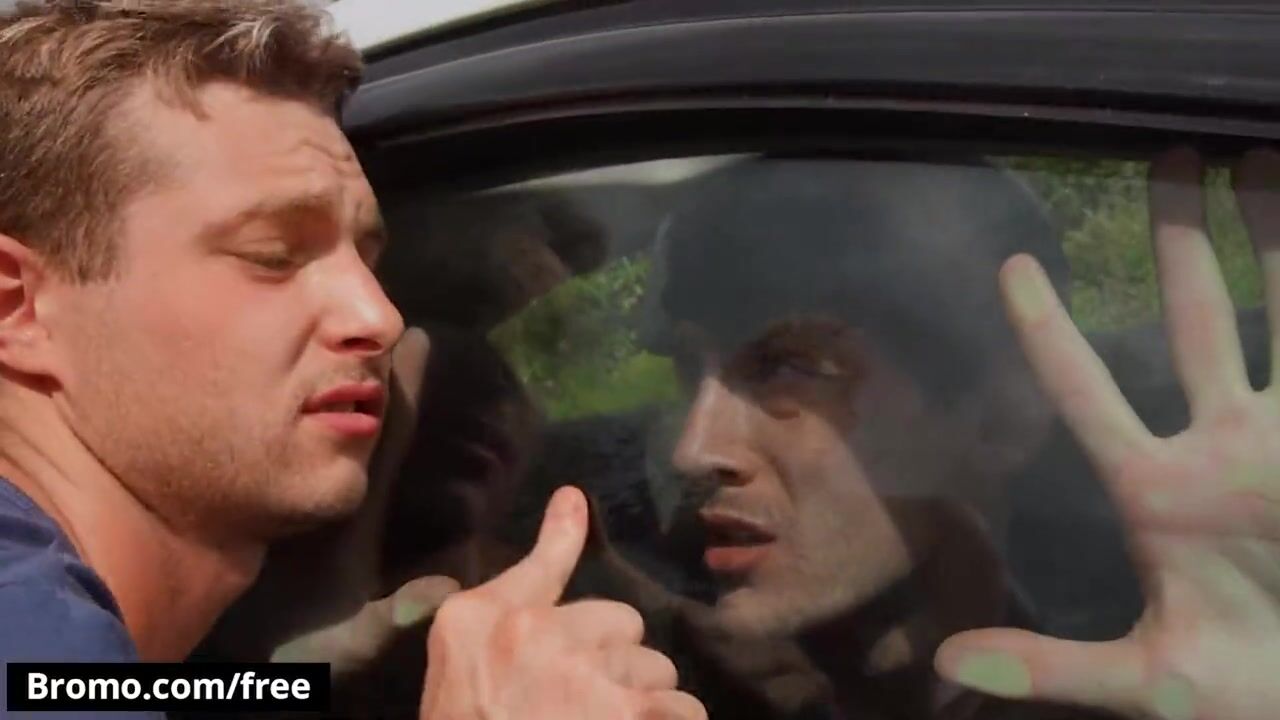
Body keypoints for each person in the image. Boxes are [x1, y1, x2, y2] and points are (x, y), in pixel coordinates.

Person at [0, 3, 704, 720]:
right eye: (272, 255)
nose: (381, 317)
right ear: (16, 309)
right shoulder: (30, 626)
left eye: (369, 260)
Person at [634, 151, 1280, 720]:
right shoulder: (648, 677)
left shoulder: (1141, 686)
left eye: (788, 368)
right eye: (689, 367)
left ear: (1000, 418)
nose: (693, 450)